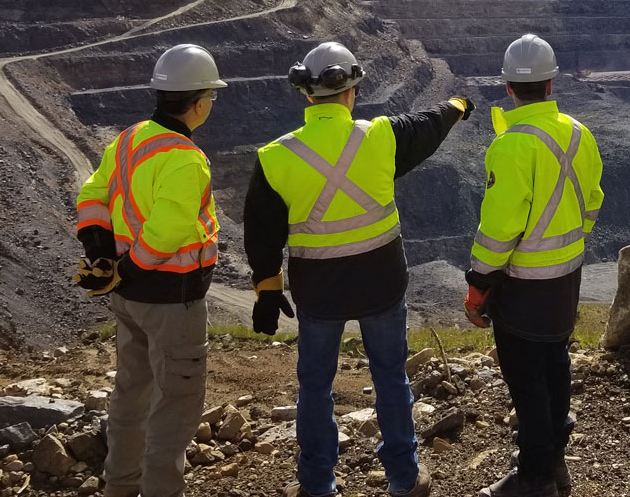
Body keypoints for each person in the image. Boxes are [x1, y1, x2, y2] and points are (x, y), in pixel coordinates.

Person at [244, 41, 474, 497]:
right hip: (381, 285)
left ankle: (317, 484)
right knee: (390, 376)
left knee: (315, 386)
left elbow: (261, 233)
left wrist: (268, 291)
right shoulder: (383, 136)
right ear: (352, 90)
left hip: (318, 292)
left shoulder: (275, 157)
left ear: (307, 94)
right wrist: (459, 104)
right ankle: (404, 479)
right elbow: (430, 124)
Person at [72, 43, 227, 497]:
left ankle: (119, 486)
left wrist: (101, 254)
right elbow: (167, 231)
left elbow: (92, 194)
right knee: (175, 406)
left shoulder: (129, 138)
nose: (212, 105)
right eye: (212, 97)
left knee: (131, 394)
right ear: (198, 103)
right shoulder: (184, 158)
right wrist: (129, 270)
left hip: (128, 299)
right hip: (169, 298)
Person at [464, 34, 604, 497]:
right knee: (555, 365)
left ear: (508, 87)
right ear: (550, 84)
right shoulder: (580, 133)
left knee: (527, 384)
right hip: (567, 279)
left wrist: (479, 283)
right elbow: (592, 202)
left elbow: (500, 229)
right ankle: (553, 463)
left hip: (523, 288)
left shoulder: (511, 146)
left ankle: (535, 479)